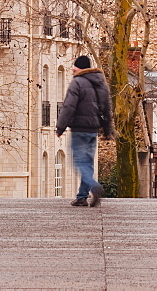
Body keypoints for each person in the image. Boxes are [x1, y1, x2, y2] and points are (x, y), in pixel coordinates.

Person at [55, 55, 113, 207]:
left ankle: (94, 186)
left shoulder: (77, 83)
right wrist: (107, 130)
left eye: (74, 66)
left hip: (79, 128)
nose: (72, 69)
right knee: (88, 162)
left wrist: (60, 127)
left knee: (80, 161)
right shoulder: (101, 83)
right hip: (93, 129)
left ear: (79, 68)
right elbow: (107, 108)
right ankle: (82, 196)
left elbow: (69, 106)